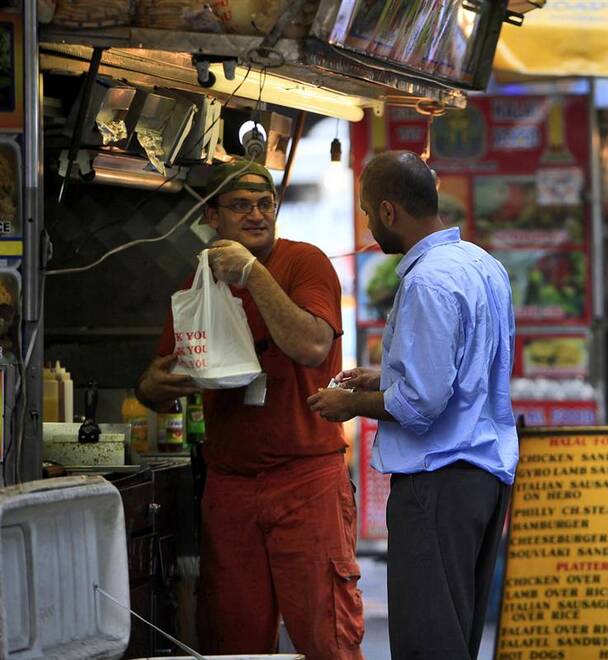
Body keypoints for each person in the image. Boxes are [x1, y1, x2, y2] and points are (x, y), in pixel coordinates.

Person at [136, 159, 363, 659]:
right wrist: (152, 386)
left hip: (306, 478)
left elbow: (311, 346)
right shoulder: (199, 287)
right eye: (240, 205)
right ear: (212, 216)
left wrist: (252, 273)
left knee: (327, 635)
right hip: (230, 485)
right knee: (231, 639)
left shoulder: (304, 263)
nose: (256, 215)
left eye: (265, 204)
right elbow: (160, 383)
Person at [307, 150, 517, 660]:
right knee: (453, 635)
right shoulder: (483, 265)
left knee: (428, 642)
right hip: (482, 477)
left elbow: (422, 404)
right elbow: (463, 369)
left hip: (438, 480)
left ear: (388, 210)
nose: (367, 225)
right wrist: (385, 377)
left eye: (366, 212)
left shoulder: (427, 280)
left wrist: (350, 403)